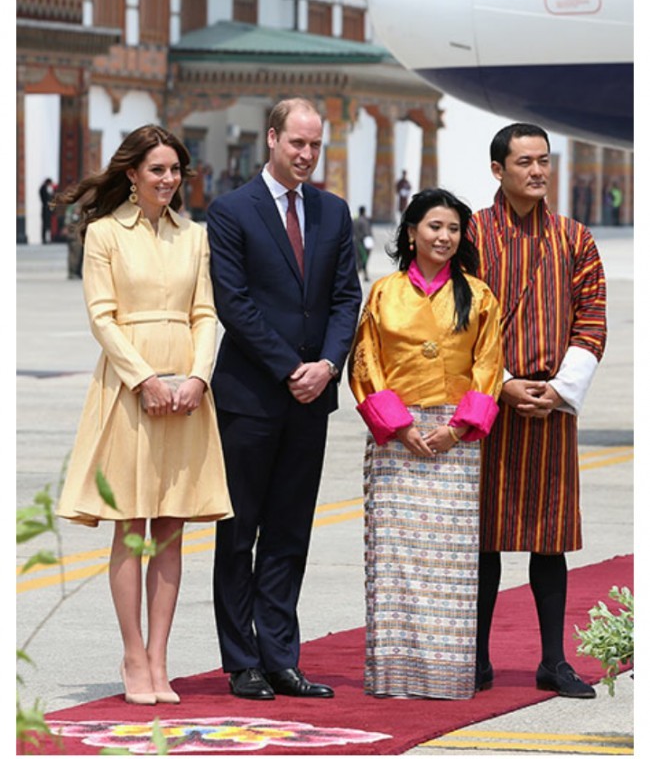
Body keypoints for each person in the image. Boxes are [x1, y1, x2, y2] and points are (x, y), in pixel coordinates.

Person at [54, 124, 233, 705]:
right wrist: (146, 380)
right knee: (133, 527)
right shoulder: (105, 234)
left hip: (187, 392)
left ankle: (160, 657)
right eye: (157, 169)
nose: (168, 179)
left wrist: (199, 377)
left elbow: (204, 313)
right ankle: (133, 654)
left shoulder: (194, 236)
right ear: (132, 174)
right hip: (130, 387)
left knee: (172, 529)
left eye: (175, 169)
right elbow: (102, 317)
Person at [207, 97, 362, 701]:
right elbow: (234, 302)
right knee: (238, 533)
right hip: (250, 397)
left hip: (311, 398)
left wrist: (327, 365)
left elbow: (346, 298)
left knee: (290, 533)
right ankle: (241, 660)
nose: (306, 154)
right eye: (297, 143)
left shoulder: (332, 211)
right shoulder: (231, 210)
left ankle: (280, 658)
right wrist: (289, 367)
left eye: (315, 145)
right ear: (271, 139)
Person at [467, 123, 607, 698]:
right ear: (498, 170)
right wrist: (500, 384)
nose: (537, 171)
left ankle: (553, 660)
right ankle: (475, 659)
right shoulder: (472, 233)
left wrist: (560, 389)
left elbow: (591, 316)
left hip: (552, 406)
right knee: (484, 537)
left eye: (543, 160)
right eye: (524, 162)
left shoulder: (575, 238)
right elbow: (456, 319)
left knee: (550, 537)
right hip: (488, 405)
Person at [348, 188, 503, 699]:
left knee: (450, 563)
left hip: (455, 439)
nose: (445, 237)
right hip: (397, 439)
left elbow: (489, 366)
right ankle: (395, 674)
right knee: (395, 559)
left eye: (454, 229)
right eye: (435, 226)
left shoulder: (478, 295)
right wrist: (399, 425)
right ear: (411, 232)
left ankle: (446, 675)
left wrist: (457, 428)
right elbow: (365, 362)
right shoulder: (383, 293)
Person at [352, 205, 373, 282]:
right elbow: (367, 232)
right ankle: (357, 275)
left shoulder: (355, 220)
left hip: (355, 242)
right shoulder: (365, 221)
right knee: (363, 260)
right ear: (364, 212)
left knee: (359, 260)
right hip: (363, 243)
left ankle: (364, 275)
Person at [39, 178, 54, 244]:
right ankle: (45, 238)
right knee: (46, 224)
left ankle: (45, 238)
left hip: (46, 209)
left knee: (46, 224)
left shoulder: (44, 188)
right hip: (46, 209)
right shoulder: (43, 188)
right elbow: (46, 199)